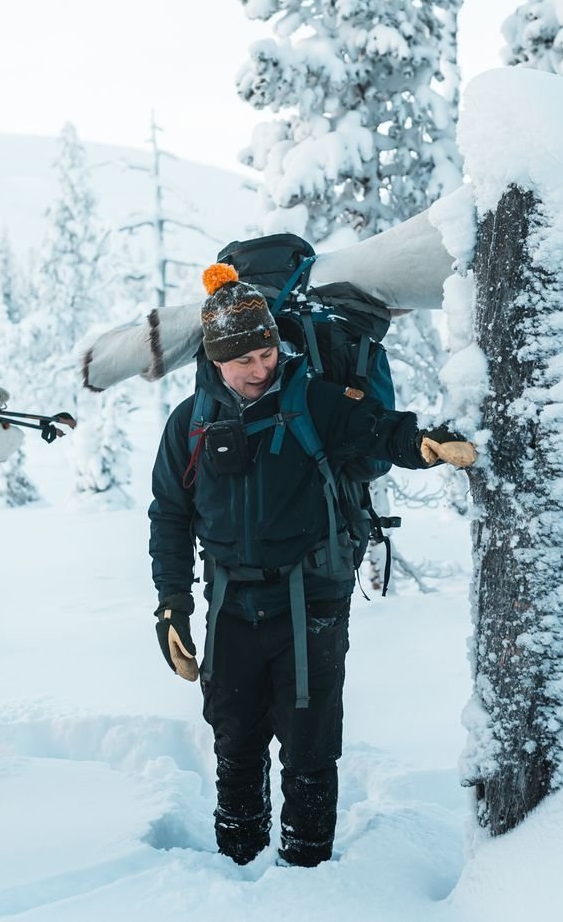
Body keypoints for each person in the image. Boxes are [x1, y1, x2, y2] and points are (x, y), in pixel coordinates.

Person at [148, 266, 476, 868]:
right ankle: (237, 866)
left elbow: (378, 432)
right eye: (243, 358)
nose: (260, 367)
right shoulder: (188, 424)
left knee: (310, 747)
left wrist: (420, 445)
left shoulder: (314, 401)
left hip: (310, 601)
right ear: (216, 361)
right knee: (235, 744)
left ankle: (307, 872)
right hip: (228, 602)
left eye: (267, 350)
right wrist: (172, 605)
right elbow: (170, 516)